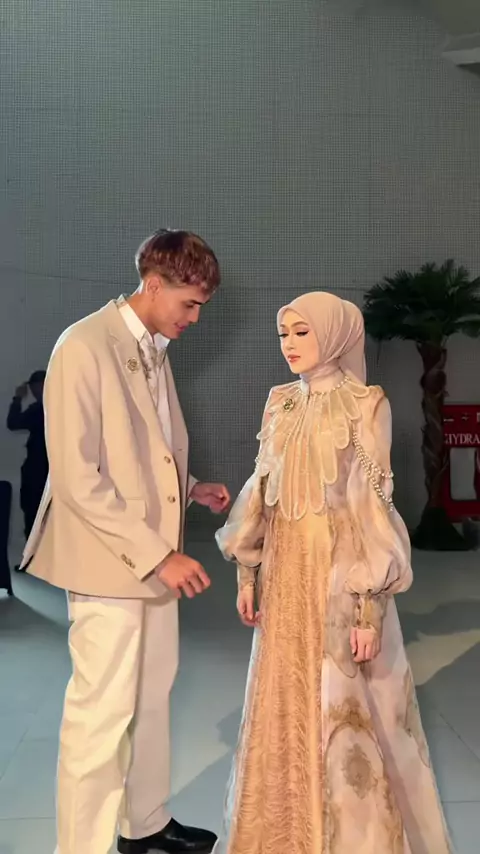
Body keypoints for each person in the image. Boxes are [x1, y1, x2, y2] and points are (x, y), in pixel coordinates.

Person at [215, 292, 453, 854]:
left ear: (336, 334)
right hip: (283, 583)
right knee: (281, 706)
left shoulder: (366, 405)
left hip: (336, 586)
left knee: (344, 716)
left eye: (303, 332)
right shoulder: (280, 402)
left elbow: (372, 509)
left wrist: (369, 607)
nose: (290, 345)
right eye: (284, 334)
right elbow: (261, 491)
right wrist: (247, 569)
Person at [21, 229, 231, 854]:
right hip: (108, 560)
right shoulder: (83, 346)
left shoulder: (154, 348)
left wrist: (190, 487)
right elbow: (78, 478)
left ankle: (145, 825)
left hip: (149, 556)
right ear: (154, 284)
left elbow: (140, 449)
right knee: (101, 714)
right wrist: (161, 556)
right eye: (189, 304)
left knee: (152, 696)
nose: (194, 318)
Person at [7, 370, 48, 540]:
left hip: (37, 471)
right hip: (50, 471)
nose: (34, 391)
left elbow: (13, 423)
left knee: (33, 515)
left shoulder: (39, 409)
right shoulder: (61, 406)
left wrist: (17, 399)